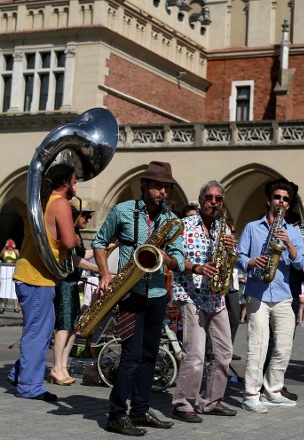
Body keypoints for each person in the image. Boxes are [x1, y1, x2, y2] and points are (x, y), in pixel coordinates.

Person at [92, 161, 186, 436]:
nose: (163, 192)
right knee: (131, 356)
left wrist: (165, 257)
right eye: (158, 186)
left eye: (166, 187)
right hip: (129, 293)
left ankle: (141, 411)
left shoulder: (170, 221)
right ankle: (116, 415)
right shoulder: (122, 211)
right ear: (144, 185)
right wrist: (105, 274)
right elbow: (99, 242)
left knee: (149, 355)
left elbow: (179, 260)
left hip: (157, 294)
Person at [7, 163, 79, 402]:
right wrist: (77, 234)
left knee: (38, 330)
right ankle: (29, 386)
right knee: (37, 333)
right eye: (75, 180)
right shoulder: (60, 204)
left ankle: (18, 372)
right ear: (65, 182)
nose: (76, 185)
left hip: (29, 275)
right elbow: (69, 242)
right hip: (38, 278)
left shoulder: (39, 202)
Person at [236, 178, 304, 412]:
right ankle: (250, 395)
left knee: (283, 347)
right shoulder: (252, 228)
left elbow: (301, 263)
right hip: (258, 293)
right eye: (278, 197)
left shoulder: (293, 232)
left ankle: (273, 391)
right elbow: (239, 256)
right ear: (269, 200)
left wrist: (290, 245)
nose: (281, 202)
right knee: (258, 345)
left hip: (284, 295)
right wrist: (252, 262)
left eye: (286, 199)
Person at [170, 180, 238, 423]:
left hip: (216, 296)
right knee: (196, 354)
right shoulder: (184, 225)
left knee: (224, 353)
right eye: (209, 198)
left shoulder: (224, 228)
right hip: (191, 295)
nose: (214, 202)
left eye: (218, 199)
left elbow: (231, 262)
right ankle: (182, 403)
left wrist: (231, 250)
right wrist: (197, 267)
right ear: (200, 200)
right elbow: (173, 258)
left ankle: (211, 401)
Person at [50, 203, 99, 386]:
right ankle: (57, 367)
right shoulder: (70, 232)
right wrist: (99, 268)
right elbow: (74, 259)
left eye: (89, 216)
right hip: (65, 283)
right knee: (63, 326)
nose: (88, 219)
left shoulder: (76, 232)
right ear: (75, 215)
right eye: (85, 215)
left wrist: (102, 249)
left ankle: (62, 367)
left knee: (72, 327)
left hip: (71, 284)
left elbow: (82, 254)